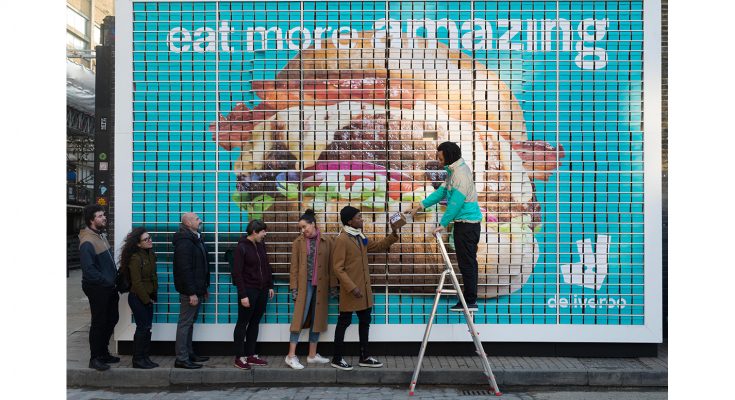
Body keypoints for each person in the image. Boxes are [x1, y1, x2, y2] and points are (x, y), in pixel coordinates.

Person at [406, 141, 483, 312]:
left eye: (441, 159)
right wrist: (421, 205)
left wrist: (442, 224)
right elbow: (441, 192)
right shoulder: (453, 171)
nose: (439, 162)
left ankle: (470, 301)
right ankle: (469, 299)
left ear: (449, 157)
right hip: (464, 225)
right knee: (466, 263)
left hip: (468, 226)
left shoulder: (460, 175)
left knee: (467, 263)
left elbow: (455, 204)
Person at [330, 206, 399, 371]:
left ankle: (364, 356)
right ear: (349, 221)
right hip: (352, 291)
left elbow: (377, 247)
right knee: (343, 323)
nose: (362, 219)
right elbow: (337, 268)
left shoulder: (359, 237)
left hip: (364, 291)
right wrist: (352, 288)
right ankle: (337, 358)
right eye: (359, 217)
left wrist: (394, 233)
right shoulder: (342, 239)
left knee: (365, 322)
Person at [284, 210, 336, 370]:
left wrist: (333, 286)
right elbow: (293, 268)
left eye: (304, 226)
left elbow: (332, 267)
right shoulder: (298, 243)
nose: (303, 230)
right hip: (304, 285)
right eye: (300, 228)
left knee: (317, 319)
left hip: (321, 285)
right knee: (299, 318)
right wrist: (294, 288)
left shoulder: (328, 241)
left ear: (313, 224)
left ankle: (312, 355)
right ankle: (291, 356)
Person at [79, 204, 120, 371]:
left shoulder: (99, 235)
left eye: (104, 215)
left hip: (108, 287)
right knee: (99, 323)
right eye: (100, 216)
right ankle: (95, 358)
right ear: (91, 220)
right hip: (98, 288)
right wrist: (107, 282)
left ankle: (103, 353)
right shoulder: (88, 241)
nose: (104, 217)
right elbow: (89, 271)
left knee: (112, 319)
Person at [231, 219, 274, 370]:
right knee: (243, 323)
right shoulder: (241, 247)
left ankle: (250, 355)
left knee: (255, 322)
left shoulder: (261, 245)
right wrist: (243, 295)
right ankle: (239, 357)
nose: (265, 234)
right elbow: (237, 273)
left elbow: (266, 266)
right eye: (263, 231)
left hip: (262, 290)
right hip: (248, 290)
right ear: (255, 232)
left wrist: (270, 285)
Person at [172, 212, 211, 369]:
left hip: (198, 289)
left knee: (189, 323)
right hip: (191, 292)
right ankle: (181, 358)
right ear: (188, 223)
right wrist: (191, 293)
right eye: (196, 219)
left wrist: (204, 288)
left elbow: (202, 265)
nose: (200, 220)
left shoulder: (195, 238)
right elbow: (185, 269)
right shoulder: (185, 242)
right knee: (185, 323)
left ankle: (189, 353)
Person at [119, 227, 159, 369]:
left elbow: (152, 276)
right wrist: (146, 300)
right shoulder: (135, 258)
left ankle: (145, 357)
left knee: (147, 328)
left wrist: (153, 294)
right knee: (142, 328)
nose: (150, 240)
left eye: (150, 238)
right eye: (146, 239)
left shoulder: (150, 254)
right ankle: (138, 359)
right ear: (138, 244)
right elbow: (136, 283)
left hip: (148, 297)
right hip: (138, 298)